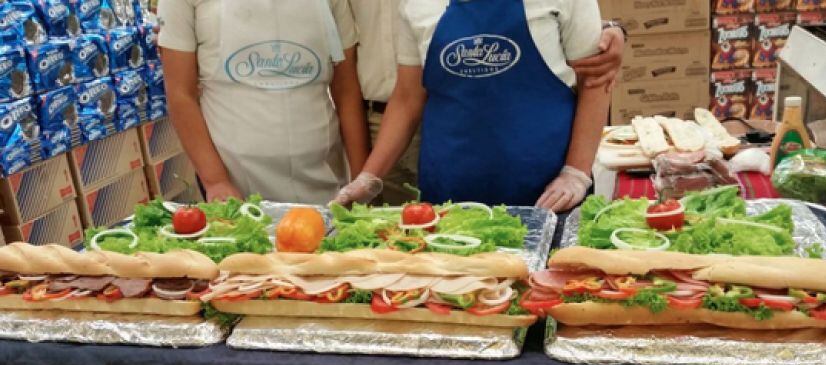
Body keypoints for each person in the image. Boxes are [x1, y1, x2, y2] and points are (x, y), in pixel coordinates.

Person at [335, 0, 612, 213]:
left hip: (547, 192)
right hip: (449, 192)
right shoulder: (417, 5)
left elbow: (595, 80)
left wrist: (575, 173)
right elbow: (408, 97)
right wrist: (369, 177)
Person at [157, 0, 370, 203]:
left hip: (327, 182)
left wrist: (360, 179)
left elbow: (346, 90)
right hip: (237, 186)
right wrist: (216, 181)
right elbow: (180, 94)